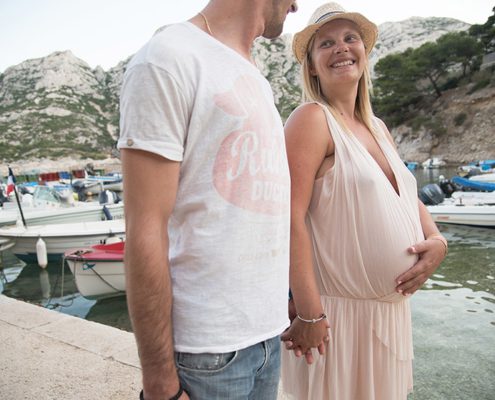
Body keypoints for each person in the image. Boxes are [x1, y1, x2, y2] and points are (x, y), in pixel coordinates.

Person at [117, 1, 298, 399]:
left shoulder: (254, 76)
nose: (296, 5)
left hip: (267, 339)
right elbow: (145, 226)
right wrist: (160, 382)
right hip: (207, 356)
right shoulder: (169, 58)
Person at [279, 3, 448, 399]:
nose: (341, 48)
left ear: (364, 54)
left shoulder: (379, 127)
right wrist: (308, 312)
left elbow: (404, 193)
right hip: (336, 319)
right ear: (313, 65)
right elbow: (288, 217)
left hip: (387, 316)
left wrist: (437, 240)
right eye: (326, 43)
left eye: (350, 38)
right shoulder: (310, 119)